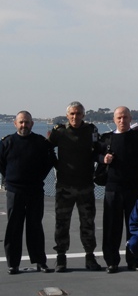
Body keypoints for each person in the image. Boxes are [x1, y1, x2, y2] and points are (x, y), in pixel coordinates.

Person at [47, 101, 101, 272]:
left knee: (88, 223)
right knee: (62, 223)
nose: (75, 117)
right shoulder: (60, 132)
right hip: (64, 186)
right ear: (67, 115)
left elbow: (97, 151)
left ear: (83, 115)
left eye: (78, 114)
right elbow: (47, 149)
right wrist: (57, 165)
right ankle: (61, 258)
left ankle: (90, 257)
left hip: (86, 185)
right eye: (72, 114)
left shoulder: (90, 131)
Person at [0, 111, 57, 274]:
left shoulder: (40, 142)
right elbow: (1, 164)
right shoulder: (6, 142)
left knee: (35, 227)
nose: (24, 125)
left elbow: (49, 162)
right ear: (15, 123)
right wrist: (11, 179)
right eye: (21, 122)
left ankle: (40, 261)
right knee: (13, 228)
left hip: (35, 191)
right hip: (14, 191)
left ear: (32, 124)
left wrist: (38, 178)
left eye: (27, 122)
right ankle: (13, 264)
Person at [99, 106, 138, 273]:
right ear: (114, 120)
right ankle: (111, 261)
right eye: (119, 118)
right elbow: (94, 155)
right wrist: (103, 158)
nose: (122, 121)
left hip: (134, 190)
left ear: (131, 119)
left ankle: (133, 260)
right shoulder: (106, 139)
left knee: (133, 227)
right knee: (111, 227)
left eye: (125, 117)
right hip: (112, 189)